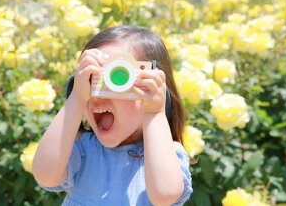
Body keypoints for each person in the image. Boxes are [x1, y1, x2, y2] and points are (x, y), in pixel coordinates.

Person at [32, 26, 193, 206]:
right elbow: (45, 175)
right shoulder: (82, 148)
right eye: (92, 79)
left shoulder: (165, 154)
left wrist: (155, 112)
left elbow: (164, 195)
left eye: (118, 79)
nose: (98, 94)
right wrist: (77, 97)